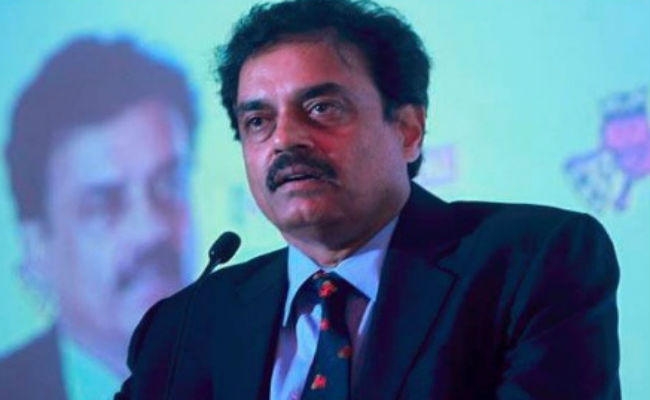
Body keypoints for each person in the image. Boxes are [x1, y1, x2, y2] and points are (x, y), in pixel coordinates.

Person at [116, 0, 620, 398]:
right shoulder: (185, 324)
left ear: (408, 130)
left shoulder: (529, 263)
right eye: (258, 121)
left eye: (321, 107)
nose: (285, 139)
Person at [1, 36, 197, 400]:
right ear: (38, 245)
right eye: (104, 204)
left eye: (168, 185)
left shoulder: (261, 365)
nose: (151, 228)